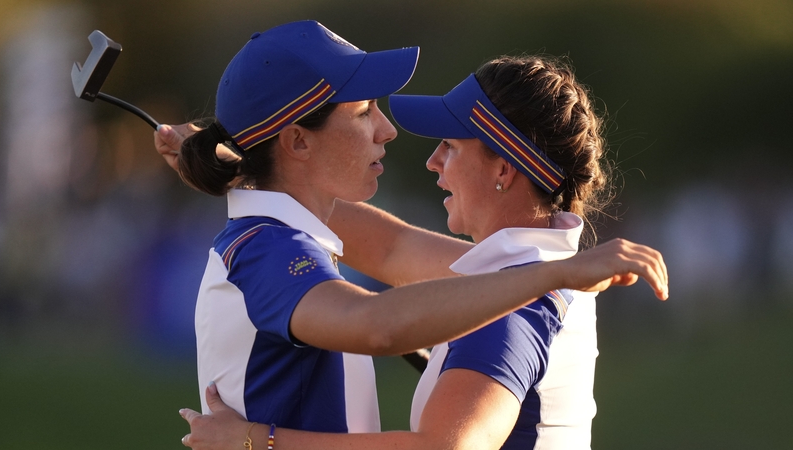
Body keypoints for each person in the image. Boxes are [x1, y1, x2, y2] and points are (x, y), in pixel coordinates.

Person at [154, 21, 668, 449]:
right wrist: (235, 163)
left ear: (505, 172)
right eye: (363, 113)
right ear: (296, 142)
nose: (392, 133)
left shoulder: (522, 287)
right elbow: (387, 248)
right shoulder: (527, 269)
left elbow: (378, 321)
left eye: (450, 145)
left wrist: (256, 440)